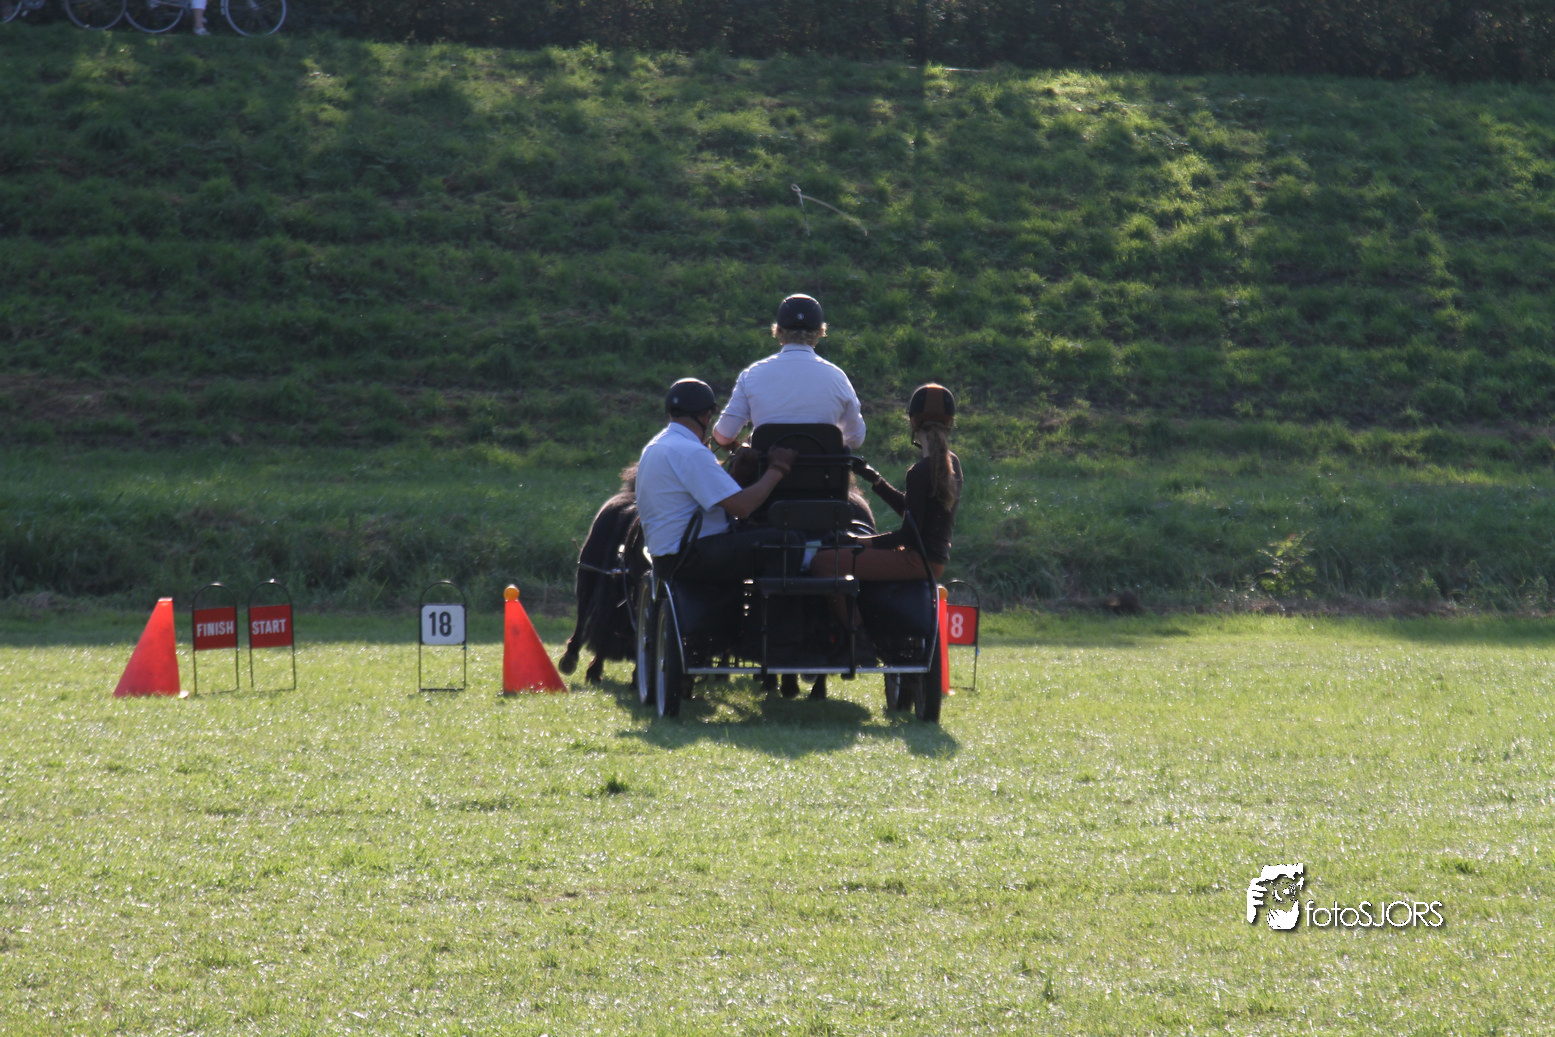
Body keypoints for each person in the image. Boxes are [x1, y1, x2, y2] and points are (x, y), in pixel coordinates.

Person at [636, 378, 802, 580]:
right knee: (787, 541)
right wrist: (777, 469)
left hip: (668, 556)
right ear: (706, 416)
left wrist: (738, 476)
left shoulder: (657, 446)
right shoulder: (691, 451)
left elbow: (708, 496)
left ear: (671, 413)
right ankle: (771, 601)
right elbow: (742, 507)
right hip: (691, 555)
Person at [810, 383, 963, 585]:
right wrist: (876, 480)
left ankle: (849, 608)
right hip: (934, 562)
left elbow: (907, 536)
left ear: (914, 421)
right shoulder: (952, 464)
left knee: (823, 563)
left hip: (915, 561)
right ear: (950, 423)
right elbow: (915, 515)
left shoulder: (918, 472)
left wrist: (854, 541)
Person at [712, 294, 867, 453]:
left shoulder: (752, 375)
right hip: (824, 469)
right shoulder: (838, 377)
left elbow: (724, 436)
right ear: (820, 331)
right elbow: (856, 438)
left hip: (766, 468)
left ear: (778, 330)